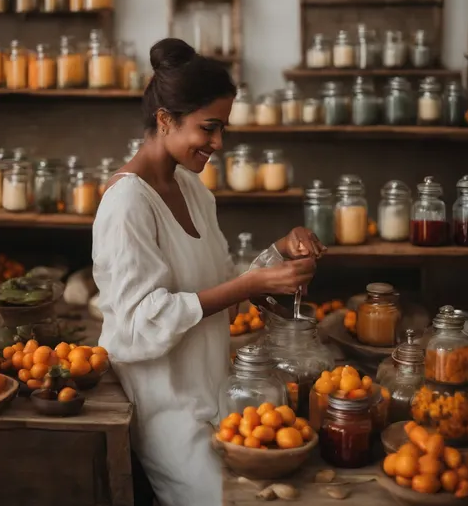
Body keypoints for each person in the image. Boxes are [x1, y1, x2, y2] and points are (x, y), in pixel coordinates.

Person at [92, 38, 325, 506]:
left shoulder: (192, 190)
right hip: (167, 407)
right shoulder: (126, 204)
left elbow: (222, 286)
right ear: (164, 120)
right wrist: (250, 284)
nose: (219, 143)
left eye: (223, 129)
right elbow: (140, 323)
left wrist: (279, 253)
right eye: (209, 128)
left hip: (221, 391)